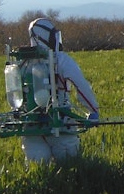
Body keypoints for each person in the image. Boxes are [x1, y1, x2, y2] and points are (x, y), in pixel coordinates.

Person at [20, 17, 99, 163]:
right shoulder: (62, 60)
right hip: (62, 126)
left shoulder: (23, 62)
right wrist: (93, 111)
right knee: (70, 164)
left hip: (31, 129)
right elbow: (82, 86)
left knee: (38, 168)